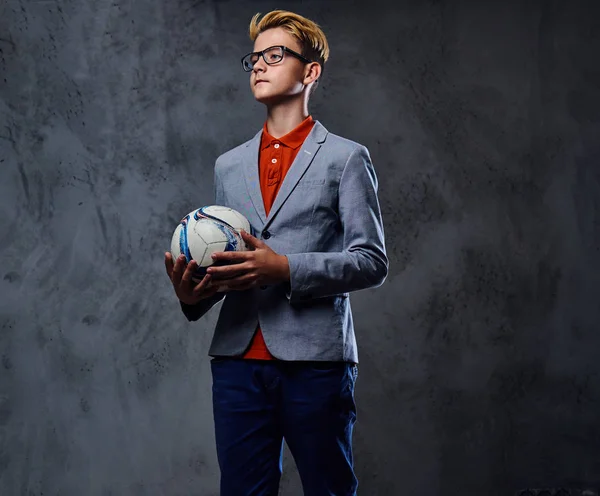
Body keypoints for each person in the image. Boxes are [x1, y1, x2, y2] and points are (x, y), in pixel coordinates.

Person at [164, 10, 388, 496]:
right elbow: (227, 262)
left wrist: (284, 268)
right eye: (254, 58)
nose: (259, 66)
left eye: (275, 55)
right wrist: (192, 296)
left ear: (310, 71)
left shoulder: (346, 157)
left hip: (316, 363)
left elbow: (371, 261)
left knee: (328, 488)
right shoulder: (229, 165)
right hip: (237, 360)